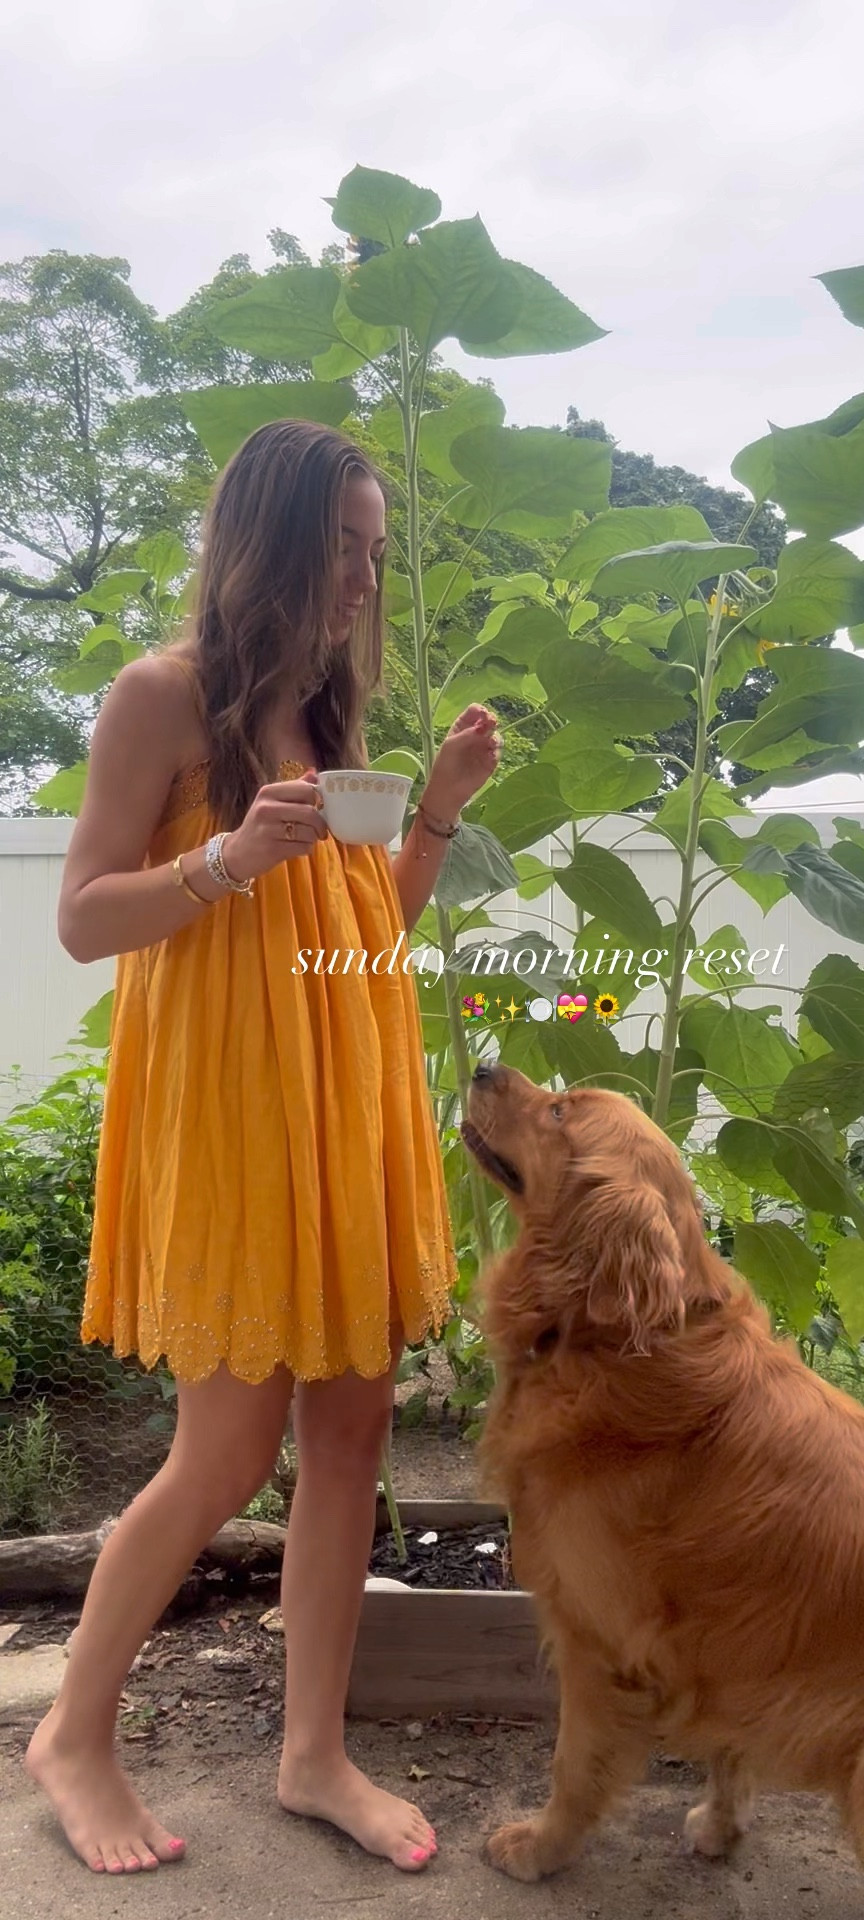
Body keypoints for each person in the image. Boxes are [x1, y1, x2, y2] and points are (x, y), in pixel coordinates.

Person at [24, 419, 500, 1878]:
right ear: (271, 542)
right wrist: (225, 857)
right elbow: (85, 915)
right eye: (343, 546)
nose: (362, 577)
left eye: (375, 549)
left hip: (339, 1106)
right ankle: (72, 1736)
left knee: (349, 1440)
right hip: (234, 1121)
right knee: (223, 1457)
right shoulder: (162, 698)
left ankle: (312, 1755)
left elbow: (371, 926)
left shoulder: (323, 720)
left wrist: (436, 812)